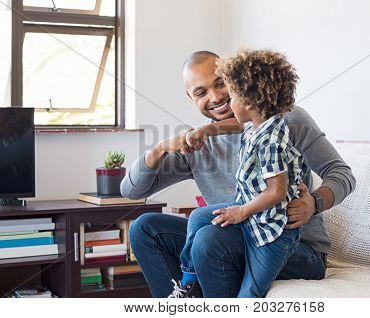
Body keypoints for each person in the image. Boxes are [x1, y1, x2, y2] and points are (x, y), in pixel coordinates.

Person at [121, 50, 356, 298]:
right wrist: (158, 149)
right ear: (190, 97)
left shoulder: (286, 119)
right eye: (201, 92)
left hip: (293, 246)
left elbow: (341, 173)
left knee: (209, 239)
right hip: (230, 236)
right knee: (145, 228)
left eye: (221, 84)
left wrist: (314, 203)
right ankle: (182, 299)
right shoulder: (198, 142)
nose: (216, 97)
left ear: (236, 80)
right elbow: (131, 191)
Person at [173, 49, 305, 298]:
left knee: (249, 294)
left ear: (249, 102)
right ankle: (188, 286)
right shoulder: (253, 128)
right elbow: (236, 124)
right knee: (199, 217)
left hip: (273, 230)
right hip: (256, 216)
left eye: (232, 94)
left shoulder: (270, 141)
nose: (225, 101)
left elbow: (277, 190)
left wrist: (241, 212)